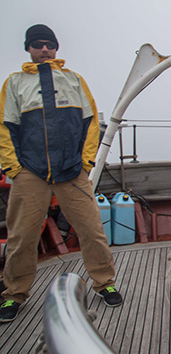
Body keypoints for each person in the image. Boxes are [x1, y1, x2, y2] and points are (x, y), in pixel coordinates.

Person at [0, 24, 123, 323]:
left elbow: (91, 122)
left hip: (72, 170)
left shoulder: (73, 80)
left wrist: (85, 163)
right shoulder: (14, 83)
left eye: (49, 44)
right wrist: (13, 168)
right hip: (30, 172)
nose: (44, 49)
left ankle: (105, 282)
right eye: (38, 44)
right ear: (28, 48)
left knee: (92, 230)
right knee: (21, 237)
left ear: (56, 48)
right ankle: (13, 295)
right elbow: (5, 128)